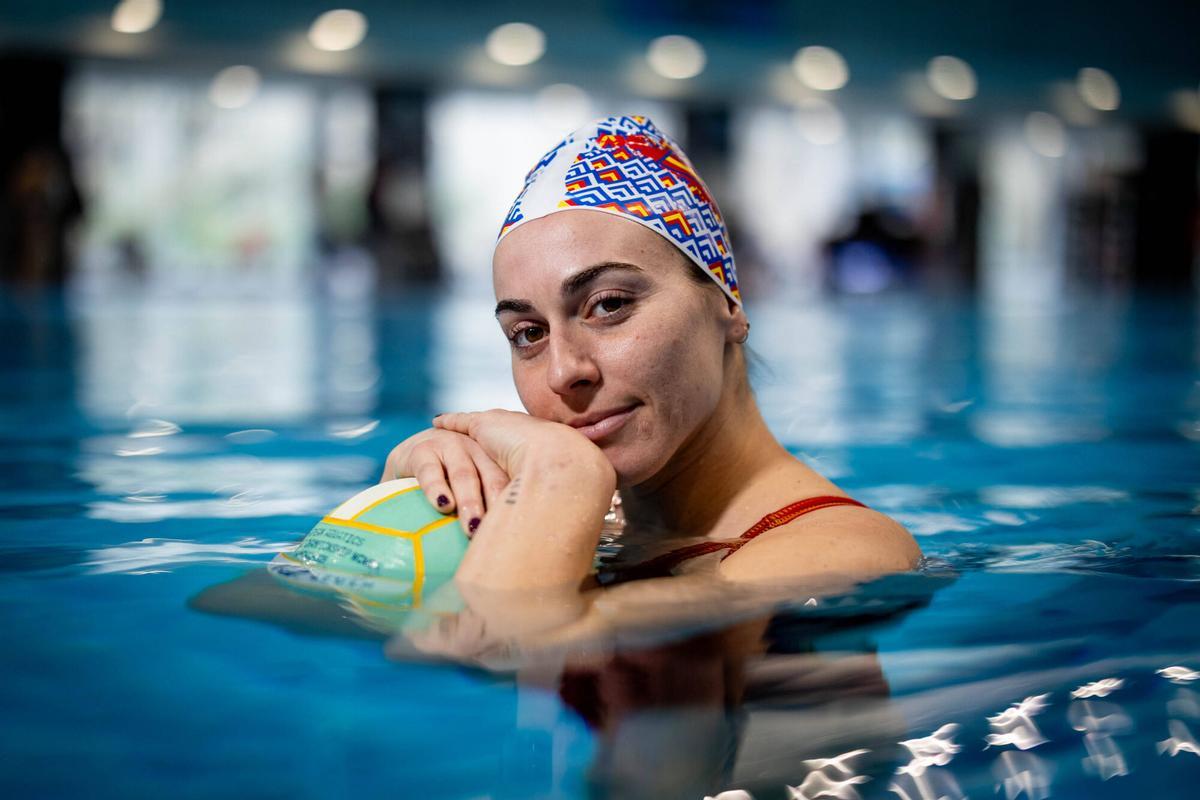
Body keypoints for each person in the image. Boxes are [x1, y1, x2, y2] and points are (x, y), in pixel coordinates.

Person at [382, 115, 920, 603]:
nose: (564, 371)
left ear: (728, 303)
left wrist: (558, 473)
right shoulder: (585, 517)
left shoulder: (839, 551)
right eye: (528, 334)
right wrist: (398, 497)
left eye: (609, 305)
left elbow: (494, 641)